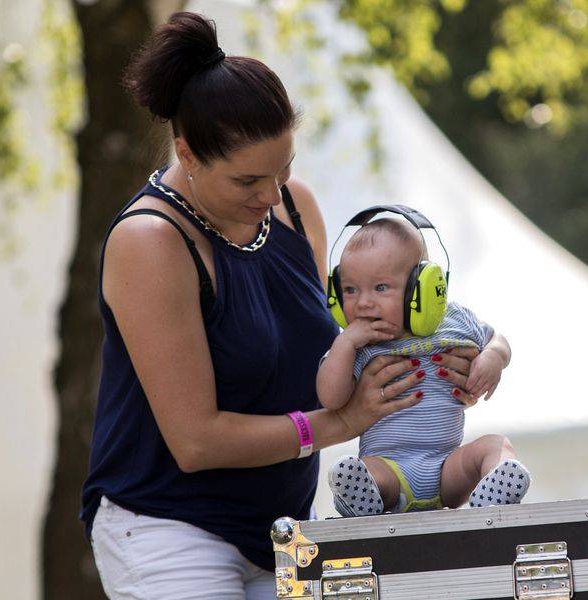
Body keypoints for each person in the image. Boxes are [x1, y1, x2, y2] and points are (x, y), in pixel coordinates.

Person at [78, 12, 480, 600]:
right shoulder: (150, 241)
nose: (270, 195)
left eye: (282, 169)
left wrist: (435, 361)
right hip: (164, 525)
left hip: (284, 530)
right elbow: (195, 441)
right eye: (247, 182)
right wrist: (341, 424)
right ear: (187, 153)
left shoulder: (297, 208)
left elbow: (335, 355)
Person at [317, 214, 530, 517]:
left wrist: (493, 357)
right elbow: (330, 398)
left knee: (494, 445)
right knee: (365, 471)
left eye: (380, 288)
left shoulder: (455, 320)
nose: (363, 303)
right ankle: (362, 495)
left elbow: (497, 340)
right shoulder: (357, 345)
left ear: (423, 286)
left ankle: (495, 491)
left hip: (448, 468)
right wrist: (344, 344)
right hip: (390, 468)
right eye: (350, 290)